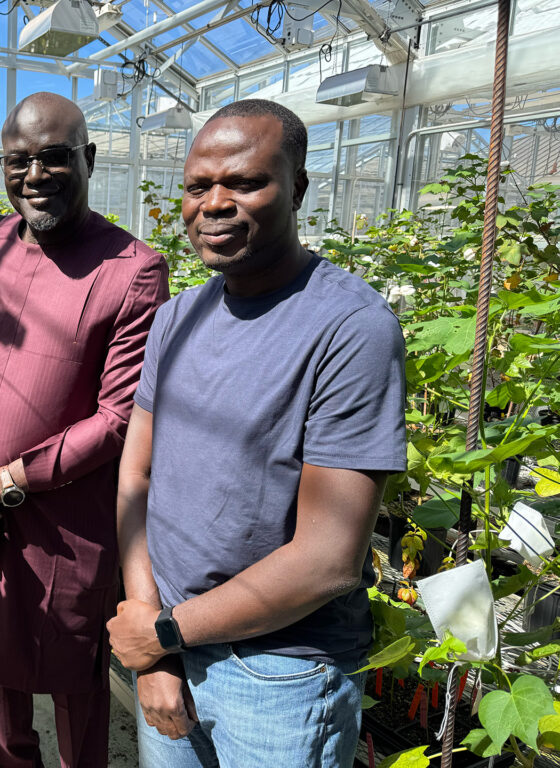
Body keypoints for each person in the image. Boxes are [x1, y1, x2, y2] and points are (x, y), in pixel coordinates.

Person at [106, 99, 407, 768]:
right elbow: (138, 477)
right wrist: (151, 631)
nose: (214, 203)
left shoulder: (349, 329)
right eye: (197, 185)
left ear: (297, 188)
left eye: (244, 183)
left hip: (278, 676)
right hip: (171, 645)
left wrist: (158, 634)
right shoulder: (177, 317)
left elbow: (327, 559)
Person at [0, 92, 169, 768]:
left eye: (55, 158)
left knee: (74, 678)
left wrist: (4, 481)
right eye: (18, 161)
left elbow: (118, 419)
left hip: (64, 521)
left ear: (88, 159)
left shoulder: (133, 269)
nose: (35, 175)